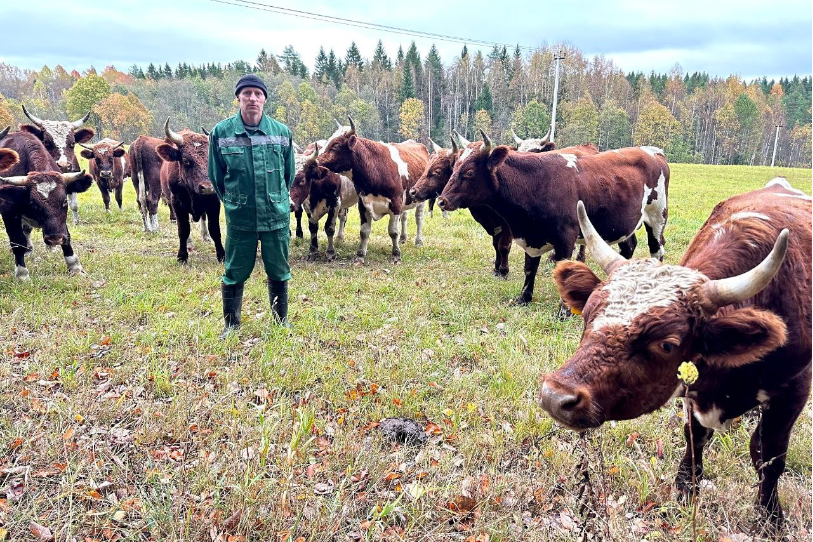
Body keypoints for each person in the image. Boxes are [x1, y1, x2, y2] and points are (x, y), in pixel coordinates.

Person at [208, 74, 295, 335]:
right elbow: (216, 177)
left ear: (265, 99)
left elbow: (287, 176)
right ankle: (231, 326)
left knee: (279, 271)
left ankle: (281, 322)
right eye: (246, 93)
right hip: (240, 218)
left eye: (258, 94)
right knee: (234, 272)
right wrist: (235, 203)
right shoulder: (221, 133)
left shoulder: (281, 133)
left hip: (275, 217)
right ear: (238, 98)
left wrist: (275, 199)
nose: (252, 98)